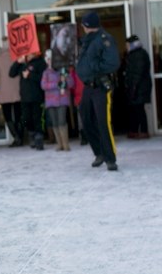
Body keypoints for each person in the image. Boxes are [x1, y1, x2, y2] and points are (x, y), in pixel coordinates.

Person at [76, 10, 121, 171]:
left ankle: (110, 158)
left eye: (83, 25)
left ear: (87, 26)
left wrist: (94, 68)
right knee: (86, 119)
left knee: (103, 123)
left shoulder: (105, 39)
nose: (82, 27)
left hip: (101, 86)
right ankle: (99, 152)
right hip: (88, 86)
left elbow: (113, 63)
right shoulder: (86, 41)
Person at [9, 51, 47, 150]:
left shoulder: (41, 63)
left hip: (37, 96)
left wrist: (30, 75)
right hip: (25, 97)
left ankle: (39, 139)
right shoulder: (23, 64)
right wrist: (17, 62)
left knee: (37, 118)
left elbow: (43, 79)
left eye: (29, 53)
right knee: (26, 118)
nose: (27, 55)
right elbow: (11, 74)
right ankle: (31, 134)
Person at [40, 49, 74, 151]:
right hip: (50, 102)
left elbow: (71, 84)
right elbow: (43, 85)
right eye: (49, 59)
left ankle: (65, 144)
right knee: (54, 122)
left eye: (52, 59)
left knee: (62, 121)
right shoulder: (46, 72)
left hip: (62, 100)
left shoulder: (63, 71)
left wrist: (66, 80)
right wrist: (57, 85)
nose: (50, 61)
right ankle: (59, 144)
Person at [0, 38, 24, 146]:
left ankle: (16, 137)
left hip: (4, 92)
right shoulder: (17, 57)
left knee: (8, 116)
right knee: (18, 115)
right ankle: (20, 136)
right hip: (17, 90)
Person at [123, 34, 152, 139]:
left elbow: (138, 73)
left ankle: (144, 131)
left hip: (140, 87)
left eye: (127, 44)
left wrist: (134, 87)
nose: (126, 47)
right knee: (134, 109)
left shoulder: (139, 55)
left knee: (139, 109)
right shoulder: (133, 54)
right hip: (136, 87)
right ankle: (134, 130)